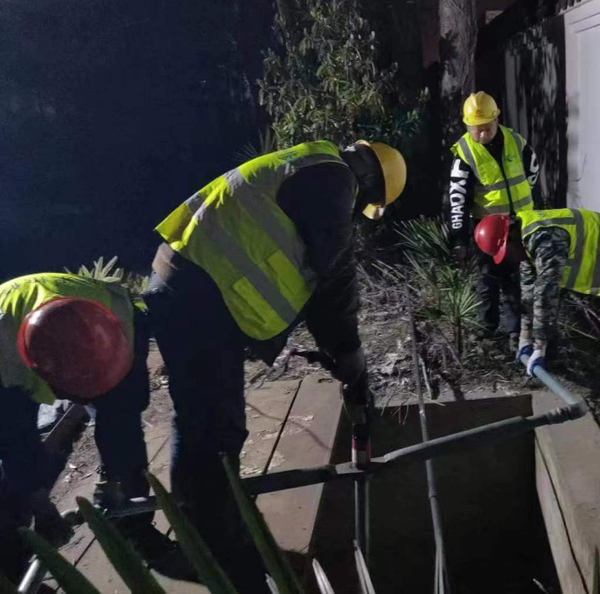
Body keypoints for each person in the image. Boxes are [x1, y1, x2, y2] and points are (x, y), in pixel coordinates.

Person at [144, 139, 405, 592]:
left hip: (187, 286)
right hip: (200, 295)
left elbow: (307, 267)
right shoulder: (332, 178)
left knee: (200, 418)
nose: (356, 212)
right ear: (369, 181)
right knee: (217, 427)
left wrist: (336, 349)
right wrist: (348, 352)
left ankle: (205, 526)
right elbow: (334, 275)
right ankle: (219, 542)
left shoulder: (308, 166)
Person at [0, 273, 179, 582]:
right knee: (14, 462)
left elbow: (123, 415)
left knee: (122, 425)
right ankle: (16, 560)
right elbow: (15, 439)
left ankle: (133, 525)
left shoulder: (123, 321)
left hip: (100, 338)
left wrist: (114, 476)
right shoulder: (6, 365)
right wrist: (41, 505)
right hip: (12, 357)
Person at [473, 209, 600, 412]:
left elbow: (545, 296)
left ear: (510, 236)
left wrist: (539, 347)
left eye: (505, 252)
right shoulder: (525, 246)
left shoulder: (546, 241)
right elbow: (528, 296)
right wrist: (525, 339)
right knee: (547, 312)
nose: (509, 259)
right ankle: (552, 358)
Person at [447, 91, 540, 344]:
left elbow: (533, 173)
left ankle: (515, 331)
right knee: (487, 278)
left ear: (496, 120)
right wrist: (460, 239)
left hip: (519, 223)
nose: (481, 134)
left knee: (514, 278)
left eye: (486, 127)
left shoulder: (515, 141)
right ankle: (487, 328)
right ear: (467, 126)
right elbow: (458, 200)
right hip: (487, 229)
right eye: (476, 129)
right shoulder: (465, 154)